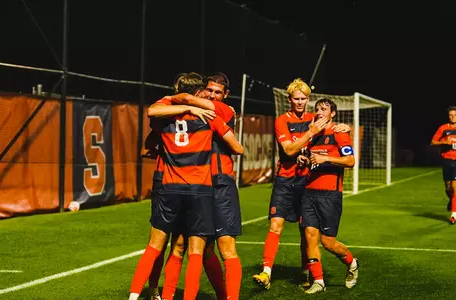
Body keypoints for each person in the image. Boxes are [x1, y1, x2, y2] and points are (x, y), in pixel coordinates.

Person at [128, 72, 243, 300]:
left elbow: (156, 111)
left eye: (217, 92)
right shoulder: (191, 113)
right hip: (193, 186)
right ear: (201, 91)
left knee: (224, 247)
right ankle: (158, 292)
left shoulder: (222, 111)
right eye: (208, 91)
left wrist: (183, 100)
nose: (211, 96)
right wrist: (186, 106)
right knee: (182, 246)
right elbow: (149, 134)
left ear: (226, 95)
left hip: (219, 185)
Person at [252, 78, 351, 290]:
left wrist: (345, 127)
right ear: (289, 99)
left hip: (306, 180)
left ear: (308, 99)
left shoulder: (314, 118)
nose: (300, 102)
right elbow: (288, 150)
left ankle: (306, 272)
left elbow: (331, 131)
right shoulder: (282, 120)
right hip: (285, 180)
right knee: (276, 225)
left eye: (303, 99)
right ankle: (266, 271)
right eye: (296, 99)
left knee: (305, 230)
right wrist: (310, 132)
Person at [296, 98, 359, 294]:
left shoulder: (339, 132)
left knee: (328, 242)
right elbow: (311, 158)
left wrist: (326, 158)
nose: (319, 112)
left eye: (324, 109)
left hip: (330, 195)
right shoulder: (313, 133)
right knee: (309, 236)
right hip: (309, 193)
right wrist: (303, 159)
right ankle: (318, 281)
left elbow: (350, 160)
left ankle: (352, 263)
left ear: (332, 114)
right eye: (317, 109)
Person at [430, 105, 456, 225]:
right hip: (447, 161)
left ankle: (453, 216)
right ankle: (451, 200)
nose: (452, 117)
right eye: (450, 115)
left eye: (455, 115)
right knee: (448, 188)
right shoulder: (443, 128)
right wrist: (443, 142)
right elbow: (432, 142)